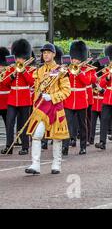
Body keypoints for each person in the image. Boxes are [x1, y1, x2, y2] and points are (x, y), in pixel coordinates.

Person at [25, 43, 71, 174]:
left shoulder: (61, 71)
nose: (46, 55)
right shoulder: (39, 71)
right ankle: (35, 164)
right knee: (36, 135)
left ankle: (56, 164)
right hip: (41, 108)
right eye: (44, 53)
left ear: (54, 54)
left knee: (57, 138)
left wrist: (52, 97)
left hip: (55, 107)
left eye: (48, 52)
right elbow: (36, 89)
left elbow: (67, 91)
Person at [1, 39, 34, 155]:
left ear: (25, 58)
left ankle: (25, 147)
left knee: (24, 124)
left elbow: (32, 82)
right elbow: (4, 83)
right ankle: (9, 146)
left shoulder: (30, 69)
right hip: (12, 100)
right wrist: (13, 75)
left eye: (21, 58)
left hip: (25, 100)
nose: (19, 60)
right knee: (9, 123)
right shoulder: (10, 69)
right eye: (18, 58)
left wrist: (23, 71)